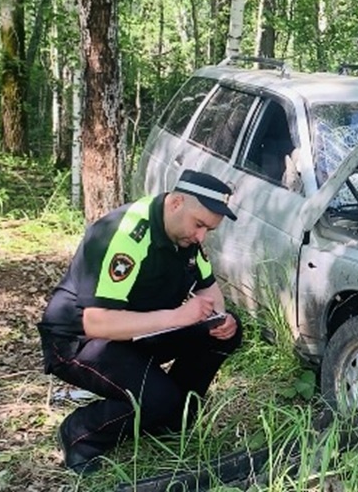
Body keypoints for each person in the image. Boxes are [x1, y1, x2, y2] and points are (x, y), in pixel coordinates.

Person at [37, 170, 243, 473]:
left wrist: (220, 319)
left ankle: (173, 419)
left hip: (137, 332)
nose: (201, 237)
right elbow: (96, 323)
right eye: (199, 225)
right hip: (79, 341)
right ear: (175, 203)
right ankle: (81, 434)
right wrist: (177, 316)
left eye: (208, 230)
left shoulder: (185, 237)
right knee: (157, 398)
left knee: (222, 332)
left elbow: (209, 290)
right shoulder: (125, 234)